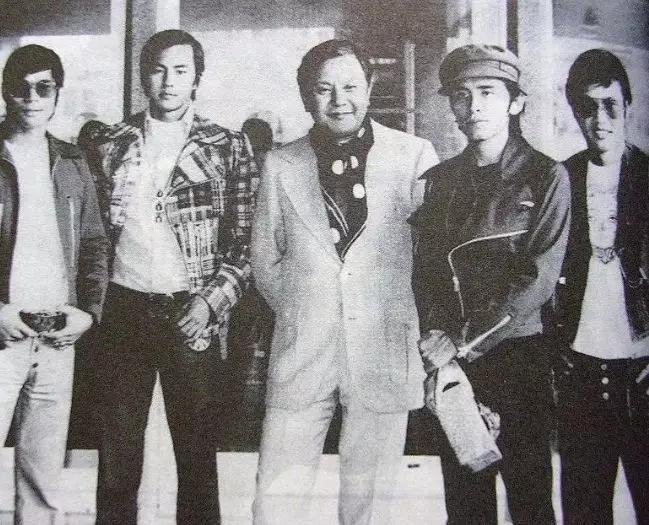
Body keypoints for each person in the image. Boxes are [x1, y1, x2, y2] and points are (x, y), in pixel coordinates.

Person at [251, 38, 438, 524]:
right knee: (275, 503)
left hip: (382, 349)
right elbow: (264, 260)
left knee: (370, 508)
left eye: (351, 87)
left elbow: (430, 258)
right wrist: (305, 306)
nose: (339, 101)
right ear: (306, 96)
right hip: (302, 350)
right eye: (324, 89)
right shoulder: (280, 163)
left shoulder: (414, 155)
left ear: (369, 89)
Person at [91, 30, 256, 524]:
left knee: (197, 455)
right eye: (159, 69)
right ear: (145, 76)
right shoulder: (110, 144)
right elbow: (94, 237)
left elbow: (245, 243)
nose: (168, 81)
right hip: (123, 308)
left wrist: (210, 302)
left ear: (196, 78)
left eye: (180, 70)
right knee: (117, 458)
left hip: (192, 310)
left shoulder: (227, 145)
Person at [410, 44, 570, 524]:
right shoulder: (440, 181)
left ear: (515, 102)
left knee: (530, 502)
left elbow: (537, 279)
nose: (473, 106)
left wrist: (461, 341)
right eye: (462, 96)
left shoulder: (546, 177)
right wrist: (436, 338)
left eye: (487, 92)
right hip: (454, 365)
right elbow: (427, 273)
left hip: (519, 359)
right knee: (465, 505)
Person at [0, 44, 108, 524]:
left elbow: (94, 242)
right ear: (5, 93)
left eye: (43, 88)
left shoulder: (71, 161)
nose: (32, 98)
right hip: (3, 334)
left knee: (43, 481)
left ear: (57, 94)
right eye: (20, 88)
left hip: (56, 339)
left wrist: (87, 312)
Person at [551, 49, 649, 525]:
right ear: (575, 113)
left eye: (610, 105)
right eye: (587, 108)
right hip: (581, 375)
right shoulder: (559, 181)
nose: (600, 120)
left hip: (644, 372)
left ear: (627, 105)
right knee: (584, 512)